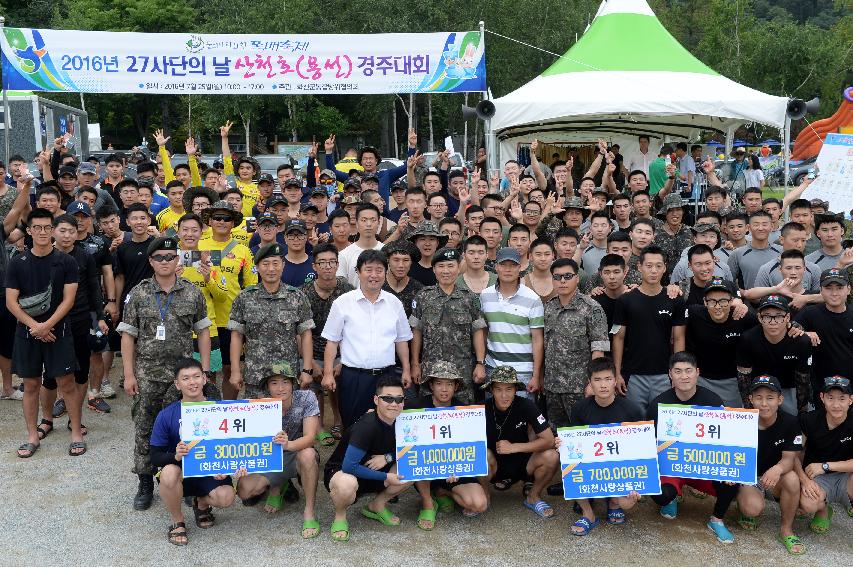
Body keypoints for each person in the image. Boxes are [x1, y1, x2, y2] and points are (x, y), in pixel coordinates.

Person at [118, 236, 212, 510]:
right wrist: (129, 374)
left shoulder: (192, 292)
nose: (165, 262)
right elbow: (128, 337)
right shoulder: (138, 293)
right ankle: (145, 480)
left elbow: (203, 331)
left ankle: (187, 481)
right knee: (145, 427)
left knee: (188, 428)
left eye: (170, 257)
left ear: (178, 260)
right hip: (148, 374)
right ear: (150, 261)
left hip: (183, 377)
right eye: (159, 257)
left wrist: (203, 371)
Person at [7, 209, 81, 458]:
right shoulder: (17, 261)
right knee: (30, 384)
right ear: (28, 230)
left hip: (58, 329)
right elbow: (11, 302)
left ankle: (76, 433)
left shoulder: (66, 261)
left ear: (52, 230)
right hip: (27, 332)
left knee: (67, 383)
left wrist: (46, 325)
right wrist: (36, 328)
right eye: (36, 227)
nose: (41, 232)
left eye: (46, 227)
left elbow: (68, 300)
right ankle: (31, 436)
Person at [648, 353, 740, 544]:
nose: (684, 376)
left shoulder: (713, 401)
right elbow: (649, 442)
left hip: (702, 467)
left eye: (688, 371)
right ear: (670, 375)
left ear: (697, 373)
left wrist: (729, 468)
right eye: (678, 371)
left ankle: (716, 520)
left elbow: (725, 439)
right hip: (672, 467)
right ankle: (672, 497)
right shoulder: (658, 404)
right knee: (659, 494)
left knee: (732, 478)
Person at [322, 250, 413, 429]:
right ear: (358, 272)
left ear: (385, 273)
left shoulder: (394, 303)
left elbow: (402, 340)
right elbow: (332, 342)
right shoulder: (343, 303)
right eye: (368, 270)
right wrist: (327, 373)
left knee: (387, 424)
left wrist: (407, 370)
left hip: (386, 376)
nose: (374, 275)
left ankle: (382, 457)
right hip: (353, 377)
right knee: (353, 425)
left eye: (379, 270)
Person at [150, 358, 235, 546]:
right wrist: (175, 456)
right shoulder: (167, 414)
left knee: (227, 497)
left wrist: (227, 467)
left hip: (209, 470)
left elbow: (232, 448)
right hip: (181, 472)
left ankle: (201, 503)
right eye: (186, 378)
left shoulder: (221, 410)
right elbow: (154, 455)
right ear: (177, 384)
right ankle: (177, 521)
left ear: (205, 379)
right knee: (168, 473)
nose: (192, 382)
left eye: (196, 376)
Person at [235, 361, 321, 537]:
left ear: (293, 383)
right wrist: (241, 464)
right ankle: (278, 486)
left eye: (285, 382)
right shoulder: (258, 403)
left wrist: (288, 444)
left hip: (298, 451)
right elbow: (248, 442)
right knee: (244, 491)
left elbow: (311, 437)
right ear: (267, 386)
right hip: (270, 456)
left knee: (309, 454)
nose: (280, 388)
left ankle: (309, 511)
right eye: (274, 383)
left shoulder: (307, 398)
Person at [323, 375, 414, 541]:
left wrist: (387, 458)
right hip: (343, 471)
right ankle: (340, 516)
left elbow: (416, 447)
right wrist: (386, 476)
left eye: (398, 399)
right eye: (387, 398)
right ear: (376, 400)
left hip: (376, 468)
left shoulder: (405, 419)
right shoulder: (366, 426)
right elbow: (350, 466)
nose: (394, 404)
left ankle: (376, 506)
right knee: (347, 484)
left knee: (415, 466)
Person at [565, 357, 644, 535]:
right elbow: (574, 444)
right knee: (570, 469)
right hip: (592, 467)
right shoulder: (579, 409)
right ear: (590, 382)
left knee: (627, 502)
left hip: (619, 467)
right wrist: (563, 444)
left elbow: (641, 447)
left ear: (615, 381)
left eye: (608, 379)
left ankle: (614, 503)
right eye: (597, 380)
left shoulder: (633, 410)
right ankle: (589, 514)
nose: (603, 385)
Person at [228, 243, 314, 399]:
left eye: (276, 263)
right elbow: (237, 336)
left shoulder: (297, 297)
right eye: (265, 264)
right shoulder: (245, 298)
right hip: (256, 375)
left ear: (283, 265)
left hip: (286, 376)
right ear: (258, 267)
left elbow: (306, 334)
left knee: (287, 420)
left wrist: (307, 370)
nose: (271, 269)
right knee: (257, 420)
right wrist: (235, 371)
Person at [407, 361, 490, 522]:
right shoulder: (415, 408)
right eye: (439, 383)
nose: (444, 389)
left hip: (456, 470)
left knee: (480, 505)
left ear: (456, 386)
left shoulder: (465, 412)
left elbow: (472, 447)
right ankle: (427, 503)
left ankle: (443, 492)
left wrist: (455, 467)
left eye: (449, 384)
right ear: (431, 385)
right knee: (416, 456)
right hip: (426, 470)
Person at [735, 375, 806, 556]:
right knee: (752, 509)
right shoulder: (739, 421)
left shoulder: (790, 422)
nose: (764, 403)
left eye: (770, 397)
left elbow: (790, 459)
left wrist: (778, 468)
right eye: (758, 397)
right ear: (750, 399)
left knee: (791, 478)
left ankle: (786, 530)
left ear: (780, 400)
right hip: (749, 477)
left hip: (775, 477)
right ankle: (745, 505)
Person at [613, 244, 686, 411]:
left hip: (664, 373)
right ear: (639, 267)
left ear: (665, 268)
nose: (653, 270)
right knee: (636, 424)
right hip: (633, 375)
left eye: (658, 266)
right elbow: (618, 338)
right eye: (649, 265)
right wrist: (617, 374)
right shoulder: (626, 300)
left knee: (664, 424)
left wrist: (677, 372)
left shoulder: (675, 299)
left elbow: (679, 337)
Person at [410, 247, 487, 404]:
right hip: (431, 373)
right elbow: (416, 332)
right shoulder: (423, 296)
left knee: (463, 416)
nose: (446, 271)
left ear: (459, 268)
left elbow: (478, 332)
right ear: (434, 269)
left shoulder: (469, 298)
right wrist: (415, 364)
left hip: (462, 372)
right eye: (441, 266)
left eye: (450, 266)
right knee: (429, 414)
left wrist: (480, 363)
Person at [484, 366, 559, 518]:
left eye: (509, 389)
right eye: (498, 389)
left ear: (516, 390)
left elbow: (549, 440)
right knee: (481, 454)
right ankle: (485, 495)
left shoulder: (527, 405)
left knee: (552, 456)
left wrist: (513, 447)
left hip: (524, 463)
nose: (504, 395)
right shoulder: (482, 408)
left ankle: (533, 496)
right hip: (494, 465)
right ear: (491, 389)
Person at [199, 200, 257, 399]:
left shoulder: (243, 251)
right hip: (204, 320)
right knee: (207, 371)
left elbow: (251, 288)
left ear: (233, 223)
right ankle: (210, 410)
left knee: (231, 369)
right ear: (210, 221)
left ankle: (228, 410)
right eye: (217, 217)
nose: (222, 221)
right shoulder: (199, 246)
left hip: (232, 320)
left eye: (227, 218)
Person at [543, 258, 609, 428]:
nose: (562, 281)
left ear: (577, 278)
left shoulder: (591, 308)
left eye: (567, 276)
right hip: (552, 387)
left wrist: (592, 383)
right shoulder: (549, 307)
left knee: (582, 434)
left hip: (579, 387)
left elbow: (598, 349)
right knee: (556, 436)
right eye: (557, 277)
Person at [481, 247, 545, 396]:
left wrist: (536, 376)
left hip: (522, 372)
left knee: (522, 416)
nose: (508, 269)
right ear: (496, 267)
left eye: (513, 265)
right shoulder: (485, 296)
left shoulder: (533, 299)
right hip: (493, 369)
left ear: (520, 267)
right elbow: (483, 333)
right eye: (503, 265)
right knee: (495, 416)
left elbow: (537, 339)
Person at [685, 277, 757, 407]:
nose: (718, 307)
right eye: (712, 301)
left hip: (732, 382)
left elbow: (768, 326)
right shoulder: (694, 313)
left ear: (731, 301)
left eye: (723, 301)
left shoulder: (743, 317)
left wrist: (796, 328)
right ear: (705, 302)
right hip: (701, 380)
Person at [796, 376, 853, 536]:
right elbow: (792, 454)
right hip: (817, 477)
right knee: (807, 505)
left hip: (846, 475)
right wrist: (804, 480)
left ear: (851, 399)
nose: (836, 405)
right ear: (822, 398)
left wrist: (825, 466)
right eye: (830, 398)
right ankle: (823, 509)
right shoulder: (809, 420)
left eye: (842, 398)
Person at [793, 268, 853, 405]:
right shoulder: (809, 314)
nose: (834, 293)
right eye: (828, 288)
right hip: (821, 388)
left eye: (839, 287)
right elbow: (788, 329)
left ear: (848, 289)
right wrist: (804, 333)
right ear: (820, 290)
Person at [728, 211, 782, 290]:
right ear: (749, 228)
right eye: (756, 225)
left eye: (764, 224)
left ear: (772, 227)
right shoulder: (737, 254)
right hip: (748, 301)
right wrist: (742, 295)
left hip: (778, 300)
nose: (760, 228)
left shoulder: (781, 251)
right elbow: (729, 284)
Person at [336, 203, 384, 288]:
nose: (368, 224)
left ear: (379, 223)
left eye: (373, 220)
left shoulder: (386, 251)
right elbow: (341, 287)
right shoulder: (344, 255)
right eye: (364, 220)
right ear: (357, 223)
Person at [408, 221, 448, 286]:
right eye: (422, 239)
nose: (427, 244)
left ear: (437, 243)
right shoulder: (407, 267)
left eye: (432, 239)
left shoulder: (444, 269)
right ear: (416, 242)